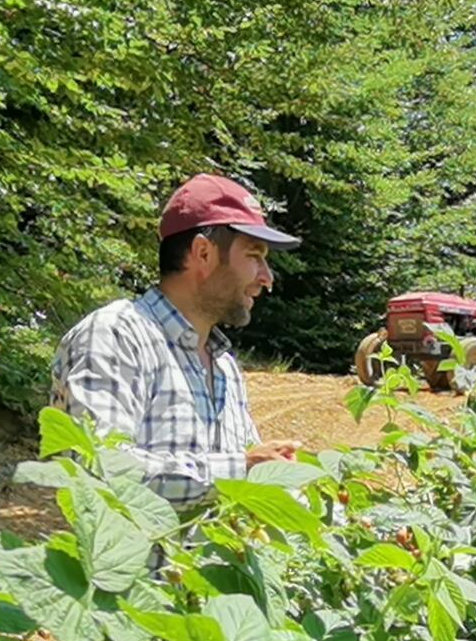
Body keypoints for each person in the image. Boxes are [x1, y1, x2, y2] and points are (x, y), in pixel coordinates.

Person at [51, 173, 304, 509]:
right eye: (254, 255)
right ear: (202, 253)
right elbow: (99, 469)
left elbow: (254, 488)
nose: (267, 279)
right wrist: (240, 469)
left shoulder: (224, 365)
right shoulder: (115, 336)